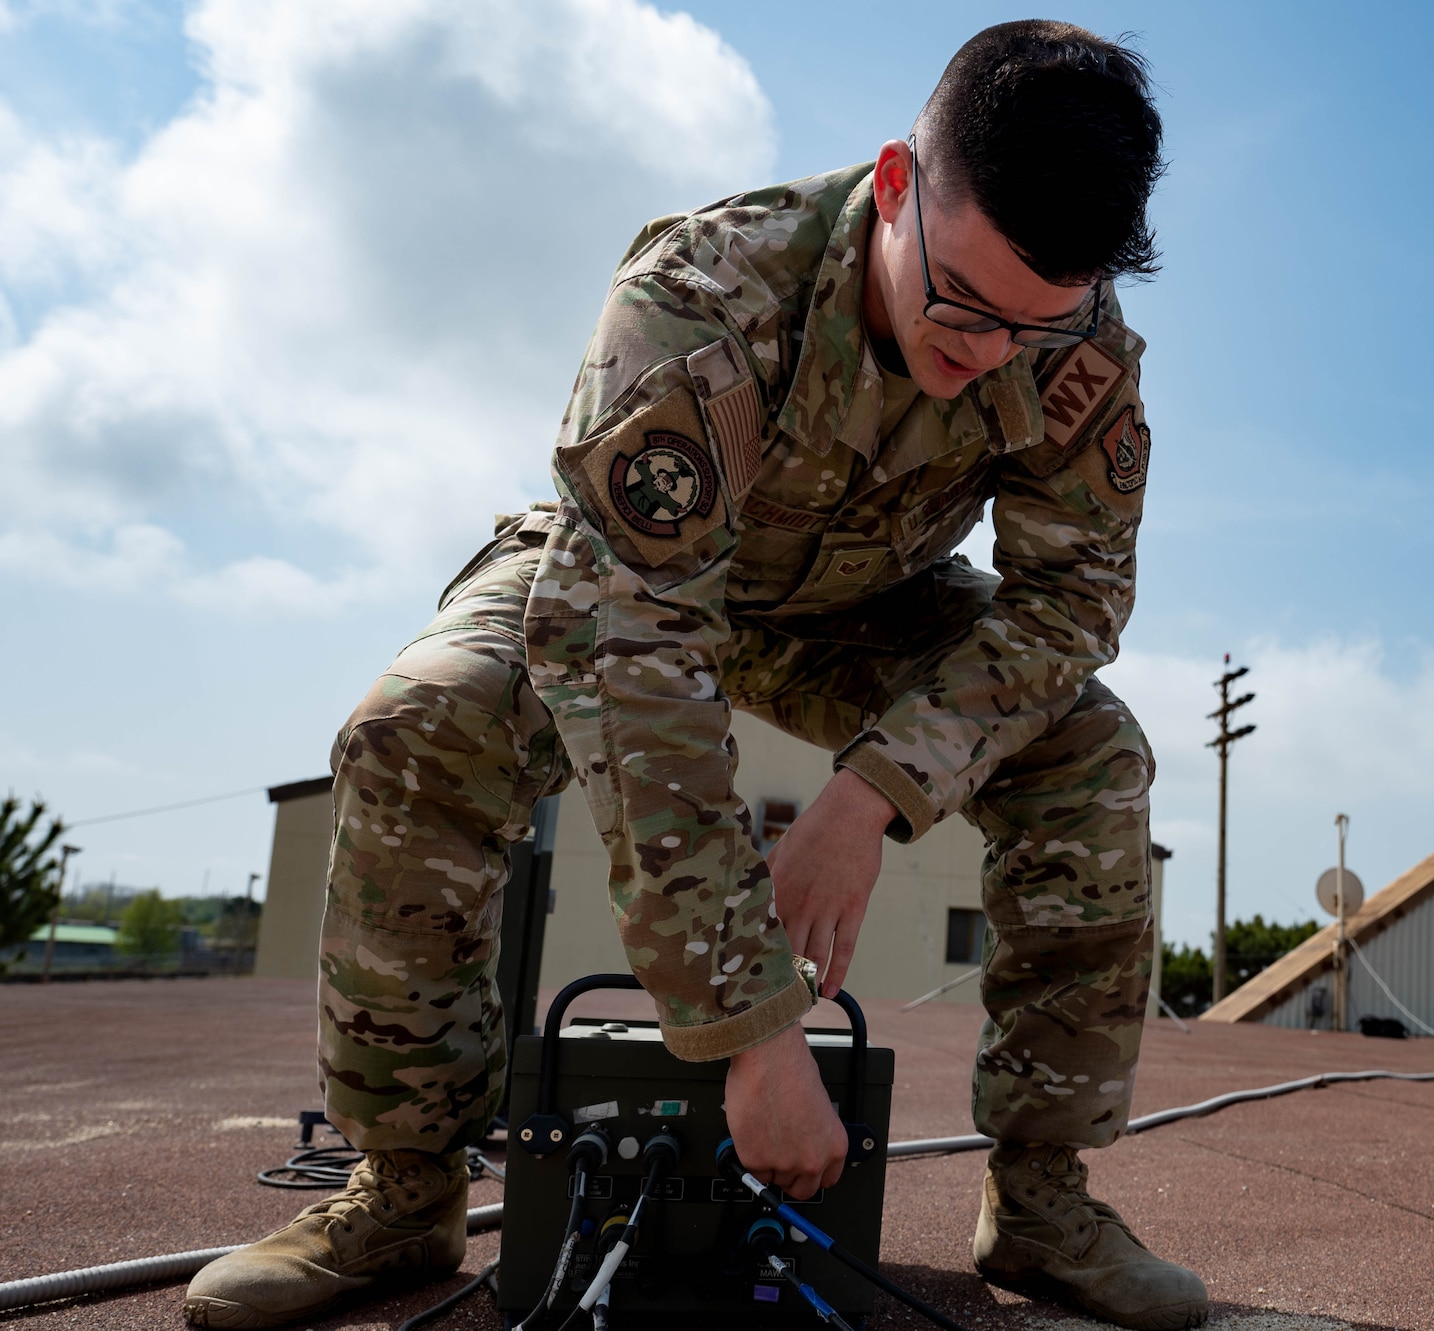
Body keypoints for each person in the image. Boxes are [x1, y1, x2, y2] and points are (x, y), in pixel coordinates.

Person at [184, 19, 1204, 1331]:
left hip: (861, 601)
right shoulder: (708, 294)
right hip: (636, 573)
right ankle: (401, 1186)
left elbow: (1072, 601)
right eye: (960, 305)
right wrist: (752, 1032)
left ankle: (1043, 1199)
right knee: (419, 725)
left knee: (1092, 756)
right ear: (896, 187)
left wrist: (871, 794)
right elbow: (635, 652)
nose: (991, 354)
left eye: (1034, 326)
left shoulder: (1081, 346)